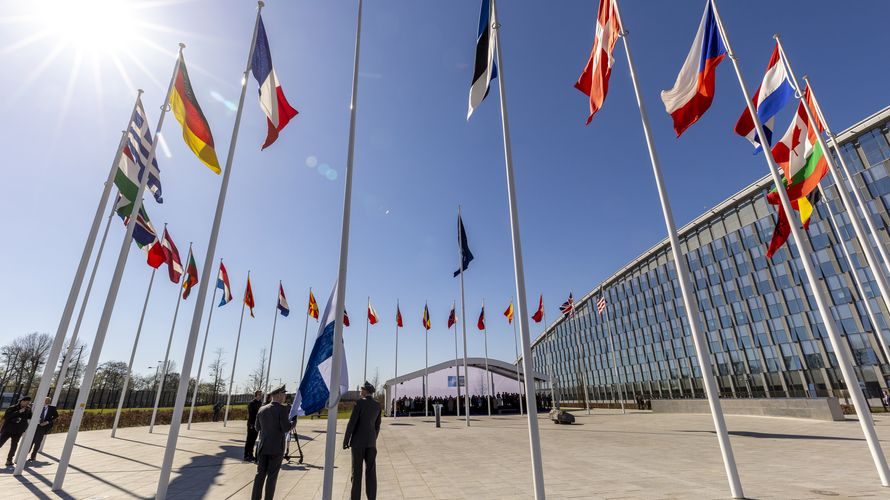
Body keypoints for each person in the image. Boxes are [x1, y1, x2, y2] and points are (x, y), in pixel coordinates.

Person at [344, 381, 381, 500]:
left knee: (357, 473)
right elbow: (377, 425)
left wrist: (346, 440)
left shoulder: (359, 403)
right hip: (371, 443)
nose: (360, 392)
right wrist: (373, 438)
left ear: (366, 391)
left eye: (362, 390)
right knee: (371, 472)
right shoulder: (377, 405)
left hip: (358, 443)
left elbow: (352, 423)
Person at [252, 385, 290, 500]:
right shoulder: (282, 409)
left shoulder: (262, 409)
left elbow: (257, 428)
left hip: (263, 447)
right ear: (278, 395)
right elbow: (286, 428)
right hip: (276, 448)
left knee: (260, 476)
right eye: (283, 393)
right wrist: (294, 421)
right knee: (272, 477)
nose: (285, 396)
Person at [0, 396, 33, 466]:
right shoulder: (12, 408)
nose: (27, 404)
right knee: (0, 442)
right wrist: (18, 412)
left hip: (18, 431)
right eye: (26, 403)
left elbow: (30, 417)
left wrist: (24, 429)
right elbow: (7, 417)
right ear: (22, 401)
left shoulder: (28, 409)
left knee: (14, 446)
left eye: (28, 403)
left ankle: (9, 460)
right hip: (8, 429)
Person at [28, 396, 58, 462]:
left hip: (42, 426)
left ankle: (33, 456)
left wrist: (47, 422)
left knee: (37, 442)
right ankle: (26, 453)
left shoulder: (52, 408)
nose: (46, 401)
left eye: (48, 400)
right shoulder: (37, 406)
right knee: (30, 440)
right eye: (45, 400)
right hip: (34, 425)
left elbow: (56, 416)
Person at [245, 390, 263, 462]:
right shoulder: (251, 403)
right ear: (255, 395)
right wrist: (251, 424)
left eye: (261, 394)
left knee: (253, 440)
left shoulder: (261, 403)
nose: (260, 396)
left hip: (257, 424)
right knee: (249, 439)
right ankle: (246, 455)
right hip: (251, 424)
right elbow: (251, 414)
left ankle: (251, 454)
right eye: (259, 394)